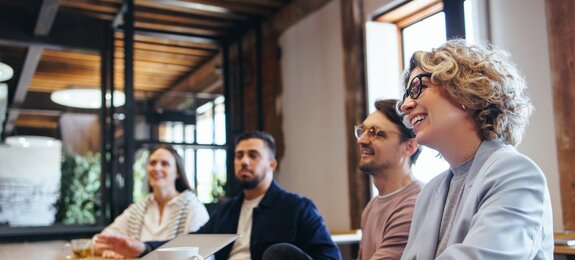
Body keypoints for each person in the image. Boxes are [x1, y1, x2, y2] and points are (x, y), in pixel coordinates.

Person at [397, 39, 553, 259]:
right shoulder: (430, 192)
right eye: (406, 95)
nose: (405, 105)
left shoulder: (516, 173)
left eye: (418, 88)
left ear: (465, 91)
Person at [96, 131, 341, 260]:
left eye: (253, 155)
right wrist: (143, 247)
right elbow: (192, 243)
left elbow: (329, 257)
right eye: (239, 155)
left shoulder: (297, 208)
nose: (244, 161)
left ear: (272, 164)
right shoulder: (227, 210)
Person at [93, 145, 209, 258]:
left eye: (165, 164)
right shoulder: (138, 209)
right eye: (152, 163)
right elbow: (97, 242)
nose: (157, 168)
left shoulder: (193, 208)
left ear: (178, 172)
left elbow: (205, 253)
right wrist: (115, 250)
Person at [355, 99, 422, 260]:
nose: (361, 140)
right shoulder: (372, 207)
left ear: (409, 147)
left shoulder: (414, 206)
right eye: (362, 131)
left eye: (375, 132)